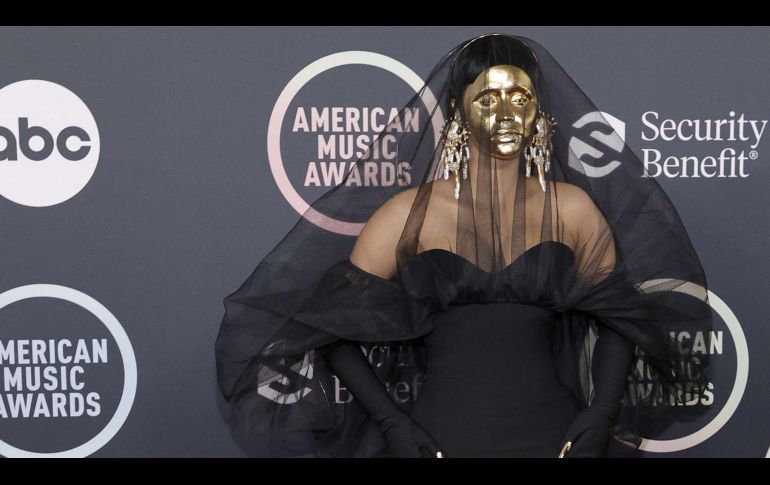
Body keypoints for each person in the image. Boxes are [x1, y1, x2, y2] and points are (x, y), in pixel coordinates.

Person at [214, 33, 714, 458]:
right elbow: (330, 329)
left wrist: (602, 412)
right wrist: (392, 423)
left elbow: (621, 319)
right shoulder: (405, 215)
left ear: (540, 109)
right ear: (458, 107)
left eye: (521, 98)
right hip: (441, 440)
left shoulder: (573, 208)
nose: (507, 113)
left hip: (555, 438)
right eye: (488, 98)